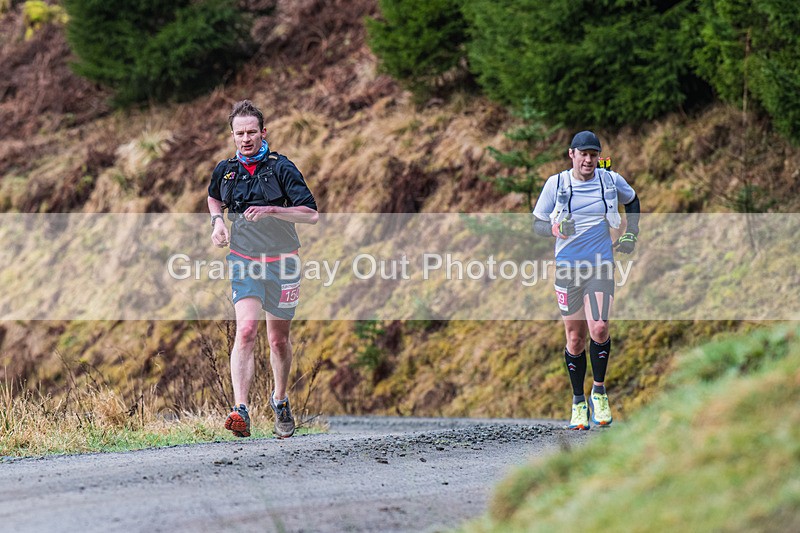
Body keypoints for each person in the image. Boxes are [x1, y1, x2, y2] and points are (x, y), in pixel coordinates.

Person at [207, 100, 318, 438]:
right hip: (244, 259)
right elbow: (213, 197)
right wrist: (217, 224)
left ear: (263, 132)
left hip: (284, 261)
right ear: (232, 135)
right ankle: (240, 410)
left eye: (251, 132)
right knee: (245, 331)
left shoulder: (282, 168)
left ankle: (280, 399)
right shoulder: (226, 170)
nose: (245, 139)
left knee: (277, 340)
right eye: (239, 133)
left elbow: (311, 214)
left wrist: (272, 210)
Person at [532, 130, 640, 430]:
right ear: (572, 155)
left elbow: (632, 200)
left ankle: (600, 392)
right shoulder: (557, 184)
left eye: (594, 155)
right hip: (567, 267)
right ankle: (578, 401)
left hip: (601, 264)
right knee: (575, 338)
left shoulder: (609, 180)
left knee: (600, 327)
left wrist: (632, 232)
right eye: (583, 154)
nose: (589, 160)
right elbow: (537, 223)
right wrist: (555, 230)